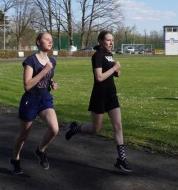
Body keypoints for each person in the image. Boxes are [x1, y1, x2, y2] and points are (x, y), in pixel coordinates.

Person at [65, 30, 132, 172]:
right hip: (99, 95)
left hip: (111, 95)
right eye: (108, 40)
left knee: (118, 125)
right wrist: (114, 68)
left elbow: (109, 73)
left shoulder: (109, 55)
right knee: (96, 128)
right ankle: (74, 128)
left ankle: (121, 159)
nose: (111, 43)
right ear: (100, 41)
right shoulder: (97, 56)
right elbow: (99, 78)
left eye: (112, 40)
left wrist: (116, 72)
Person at [9, 32, 59, 175]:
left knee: (54, 129)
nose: (50, 42)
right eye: (47, 39)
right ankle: (15, 159)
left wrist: (51, 83)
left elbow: (46, 79)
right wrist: (45, 71)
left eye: (51, 40)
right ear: (38, 42)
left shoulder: (52, 62)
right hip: (30, 100)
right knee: (24, 135)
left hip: (44, 98)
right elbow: (27, 85)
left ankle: (40, 150)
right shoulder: (31, 60)